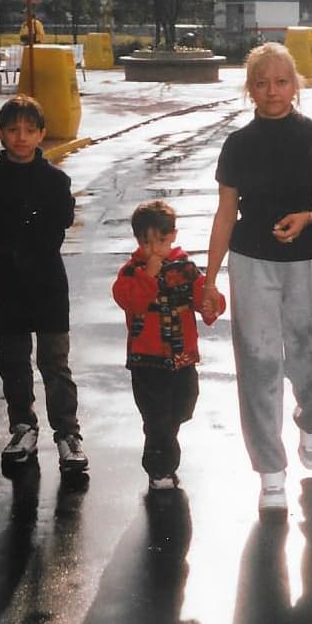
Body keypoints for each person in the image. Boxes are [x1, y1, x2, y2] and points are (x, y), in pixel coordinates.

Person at [203, 41, 312, 512]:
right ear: (249, 89)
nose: (272, 91)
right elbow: (225, 213)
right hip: (252, 262)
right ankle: (270, 470)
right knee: (258, 364)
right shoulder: (238, 144)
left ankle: (310, 419)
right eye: (261, 83)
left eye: (281, 81)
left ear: (296, 84)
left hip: (311, 261)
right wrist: (209, 279)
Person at [0, 94, 87, 472]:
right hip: (7, 283)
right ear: (0, 133)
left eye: (29, 130)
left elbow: (61, 221)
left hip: (49, 283)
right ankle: (22, 427)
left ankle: (68, 434)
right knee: (13, 362)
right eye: (13, 130)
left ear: (41, 134)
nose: (21, 137)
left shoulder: (56, 180)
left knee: (55, 363)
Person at [112, 200, 226, 490]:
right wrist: (148, 275)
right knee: (156, 416)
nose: (155, 249)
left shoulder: (185, 268)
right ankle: (160, 469)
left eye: (161, 241)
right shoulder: (131, 272)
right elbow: (131, 301)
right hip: (146, 360)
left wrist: (212, 304)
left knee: (183, 407)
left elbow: (202, 296)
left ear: (173, 235)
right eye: (147, 243)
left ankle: (164, 447)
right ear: (138, 240)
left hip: (182, 357)